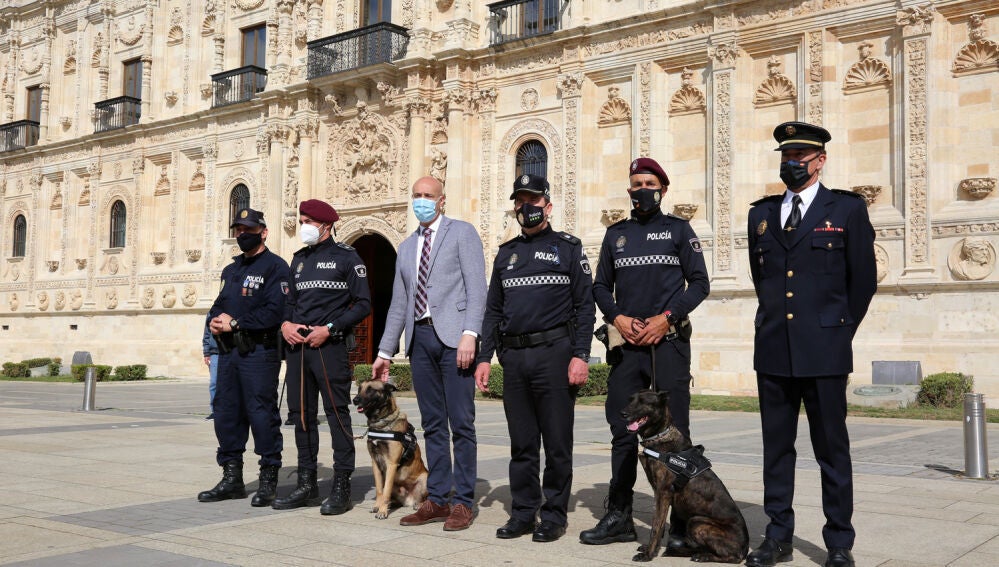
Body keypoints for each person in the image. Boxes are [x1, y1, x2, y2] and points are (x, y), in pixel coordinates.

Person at [745, 122, 877, 567]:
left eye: (801, 156)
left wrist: (837, 328)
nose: (792, 163)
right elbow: (762, 278)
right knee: (776, 451)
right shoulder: (760, 214)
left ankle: (839, 542)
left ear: (820, 160)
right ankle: (777, 536)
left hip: (824, 350)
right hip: (774, 350)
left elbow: (863, 280)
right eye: (786, 155)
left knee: (831, 451)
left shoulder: (846, 210)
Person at [582, 157, 710, 549]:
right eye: (635, 183)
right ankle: (619, 514)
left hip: (668, 344)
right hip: (628, 347)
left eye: (648, 183)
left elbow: (700, 283)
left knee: (677, 435)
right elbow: (601, 285)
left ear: (663, 190)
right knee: (623, 431)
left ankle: (681, 525)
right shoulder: (615, 235)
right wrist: (617, 317)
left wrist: (666, 318)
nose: (641, 190)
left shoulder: (678, 230)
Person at [474, 174, 595, 543]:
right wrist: (484, 357)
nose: (526, 208)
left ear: (548, 206)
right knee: (522, 443)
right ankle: (524, 512)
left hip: (554, 355)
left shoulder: (568, 248)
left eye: (533, 201)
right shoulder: (505, 254)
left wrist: (581, 356)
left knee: (557, 442)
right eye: (520, 202)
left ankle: (554, 515)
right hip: (514, 357)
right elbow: (493, 310)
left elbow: (585, 307)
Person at [372, 176, 487, 531]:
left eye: (428, 196)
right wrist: (385, 351)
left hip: (455, 340)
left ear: (442, 200)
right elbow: (399, 303)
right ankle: (437, 498)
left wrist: (470, 334)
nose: (422, 201)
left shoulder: (462, 233)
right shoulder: (406, 247)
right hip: (420, 340)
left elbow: (477, 285)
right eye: (416, 196)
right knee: (434, 424)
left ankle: (463, 502)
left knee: (461, 424)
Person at [272, 199, 371, 515]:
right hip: (298, 348)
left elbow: (363, 303)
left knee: (336, 415)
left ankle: (342, 485)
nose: (304, 226)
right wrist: (285, 324)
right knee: (301, 416)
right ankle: (307, 483)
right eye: (302, 220)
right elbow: (288, 301)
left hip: (329, 347)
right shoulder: (298, 259)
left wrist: (329, 328)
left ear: (326, 225)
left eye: (309, 221)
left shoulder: (347, 257)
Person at [198, 208, 289, 508]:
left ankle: (268, 479)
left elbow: (276, 310)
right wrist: (214, 320)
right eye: (238, 230)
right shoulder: (232, 269)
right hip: (229, 352)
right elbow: (219, 304)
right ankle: (232, 477)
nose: (242, 235)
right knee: (226, 412)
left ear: (263, 232)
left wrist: (236, 323)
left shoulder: (276, 267)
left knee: (261, 413)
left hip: (258, 352)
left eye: (248, 230)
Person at [202, 317, 218, 420]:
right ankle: (215, 411)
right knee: (214, 382)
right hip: (215, 353)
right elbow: (207, 334)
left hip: (232, 352)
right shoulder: (212, 312)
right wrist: (206, 352)